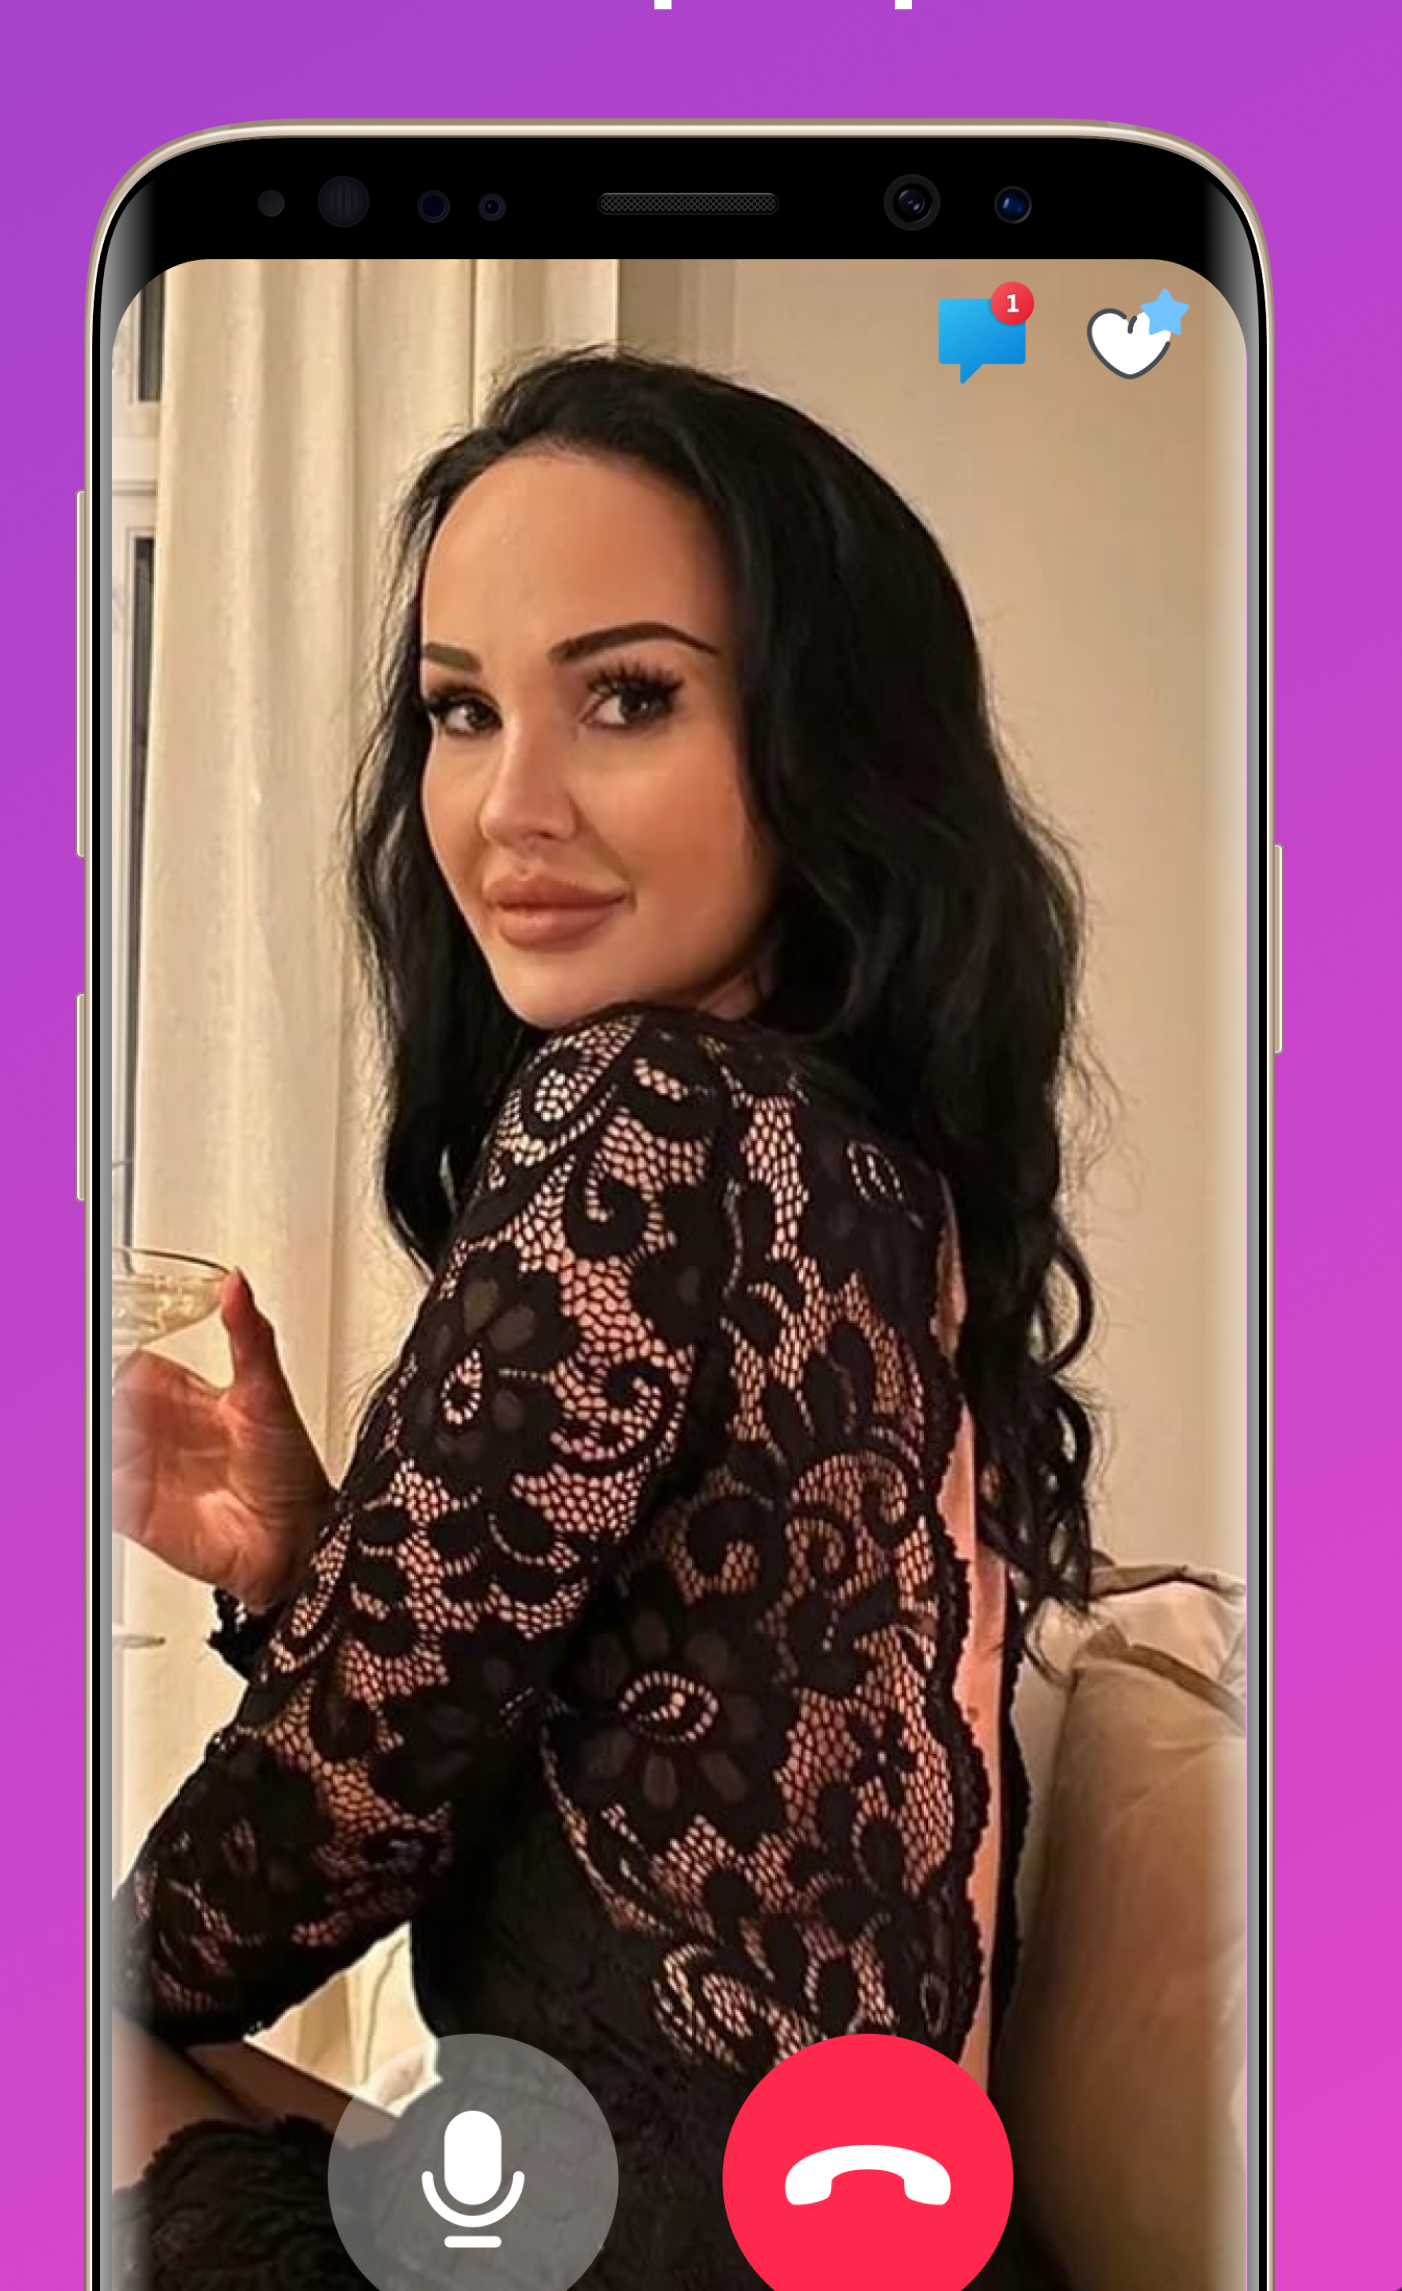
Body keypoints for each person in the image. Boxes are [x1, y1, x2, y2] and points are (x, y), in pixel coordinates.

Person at [110, 346, 1101, 2288]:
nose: (508, 805)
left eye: (628, 696)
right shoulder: (874, 1166)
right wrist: (313, 1570)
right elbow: (569, 1770)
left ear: (827, 740)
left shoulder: (652, 1115)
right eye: (461, 711)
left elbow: (305, 1849)